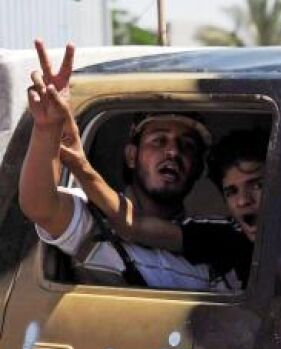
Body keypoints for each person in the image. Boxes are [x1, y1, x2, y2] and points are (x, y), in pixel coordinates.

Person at [19, 40, 231, 291]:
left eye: (187, 146)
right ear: (132, 156)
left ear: (198, 168)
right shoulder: (93, 216)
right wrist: (47, 128)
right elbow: (40, 206)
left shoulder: (213, 242)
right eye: (159, 141)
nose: (173, 152)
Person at [58, 127, 267, 289]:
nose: (243, 201)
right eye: (231, 192)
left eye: (258, 185)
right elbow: (132, 225)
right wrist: (80, 166)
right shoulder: (225, 237)